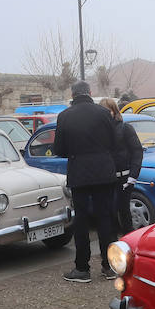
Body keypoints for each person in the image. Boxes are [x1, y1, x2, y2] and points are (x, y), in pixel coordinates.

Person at [53, 81, 120, 282]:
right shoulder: (103, 113)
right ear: (90, 93)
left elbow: (59, 150)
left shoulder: (64, 116)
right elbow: (114, 142)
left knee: (81, 221)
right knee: (105, 219)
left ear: (73, 95)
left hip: (79, 173)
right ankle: (109, 267)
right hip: (103, 172)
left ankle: (82, 269)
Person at [100, 98, 143, 235]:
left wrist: (133, 176)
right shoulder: (99, 132)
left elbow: (137, 151)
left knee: (124, 212)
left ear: (114, 111)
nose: (106, 114)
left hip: (124, 177)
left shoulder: (126, 128)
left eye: (108, 111)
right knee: (109, 213)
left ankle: (128, 241)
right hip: (107, 178)